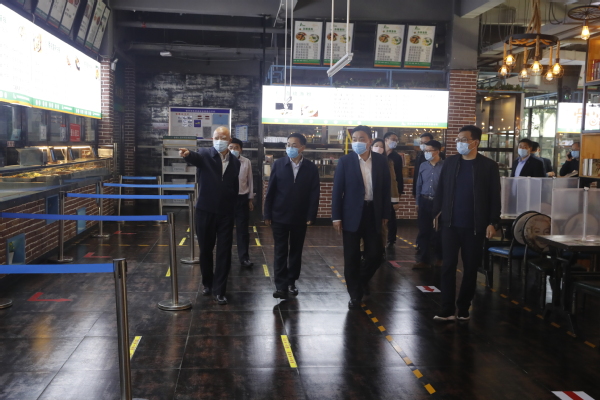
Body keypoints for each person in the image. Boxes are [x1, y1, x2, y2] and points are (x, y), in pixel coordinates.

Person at [432, 125, 501, 321]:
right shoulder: (450, 162)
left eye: (463, 139)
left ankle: (463, 307)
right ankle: (446, 309)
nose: (459, 143)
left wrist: (493, 222)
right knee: (448, 266)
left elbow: (495, 197)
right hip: (450, 224)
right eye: (458, 140)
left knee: (470, 268)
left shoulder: (488, 166)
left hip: (475, 226)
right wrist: (435, 214)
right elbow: (441, 190)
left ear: (475, 142)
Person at [179, 126, 240, 305]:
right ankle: (208, 283)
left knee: (224, 251)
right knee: (205, 249)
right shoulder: (205, 154)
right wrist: (187, 154)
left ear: (229, 140)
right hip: (205, 210)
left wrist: (234, 207)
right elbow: (194, 158)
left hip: (226, 213)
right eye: (216, 137)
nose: (219, 140)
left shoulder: (235, 162)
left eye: (223, 137)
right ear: (212, 139)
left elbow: (234, 187)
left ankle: (220, 290)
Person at [332, 126, 391, 309]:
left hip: (373, 212)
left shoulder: (381, 161)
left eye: (361, 138)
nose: (357, 142)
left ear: (370, 141)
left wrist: (385, 213)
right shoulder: (345, 161)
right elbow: (337, 191)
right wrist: (336, 217)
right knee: (351, 257)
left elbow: (386, 189)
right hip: (351, 214)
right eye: (355, 139)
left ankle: (361, 280)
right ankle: (355, 295)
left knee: (376, 254)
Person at [264, 133, 320, 299]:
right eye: (288, 144)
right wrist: (267, 213)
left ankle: (291, 282)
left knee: (296, 251)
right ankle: (280, 286)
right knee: (280, 250)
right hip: (279, 216)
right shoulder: (279, 164)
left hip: (299, 217)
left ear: (302, 147)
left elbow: (314, 193)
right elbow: (270, 191)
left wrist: (311, 215)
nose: (290, 148)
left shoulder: (311, 168)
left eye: (294, 145)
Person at [413, 140, 444, 269]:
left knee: (439, 232)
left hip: (439, 202)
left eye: (428, 151)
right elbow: (419, 184)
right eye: (425, 151)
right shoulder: (423, 166)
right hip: (424, 201)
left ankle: (439, 258)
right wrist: (417, 202)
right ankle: (424, 260)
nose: (426, 153)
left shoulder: (445, 166)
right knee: (424, 231)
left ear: (437, 151)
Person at [228, 138, 254, 268]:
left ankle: (244, 258)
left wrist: (250, 199)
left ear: (241, 149)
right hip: (226, 200)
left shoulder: (246, 162)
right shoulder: (222, 161)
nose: (233, 150)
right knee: (225, 230)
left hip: (242, 199)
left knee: (243, 230)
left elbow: (250, 181)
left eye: (236, 147)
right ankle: (225, 258)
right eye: (231, 147)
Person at [372, 138, 400, 248]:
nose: (378, 148)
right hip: (368, 199)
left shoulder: (387, 162)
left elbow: (393, 181)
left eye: (381, 146)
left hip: (382, 199)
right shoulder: (365, 161)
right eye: (376, 146)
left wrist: (395, 200)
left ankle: (381, 249)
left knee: (382, 226)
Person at [383, 131, 404, 250]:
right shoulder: (379, 154)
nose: (395, 142)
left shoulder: (396, 157)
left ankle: (391, 240)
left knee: (391, 215)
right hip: (380, 189)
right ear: (386, 140)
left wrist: (399, 192)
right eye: (393, 139)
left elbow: (399, 176)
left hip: (392, 189)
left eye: (396, 140)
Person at [412, 132, 445, 198]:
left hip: (438, 197)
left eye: (425, 142)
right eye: (421, 142)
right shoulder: (420, 156)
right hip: (424, 195)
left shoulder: (443, 160)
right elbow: (417, 175)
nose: (423, 145)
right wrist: (415, 192)